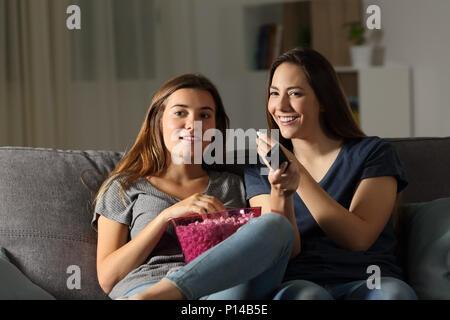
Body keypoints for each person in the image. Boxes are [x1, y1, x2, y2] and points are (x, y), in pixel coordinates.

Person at [92, 73, 296, 300]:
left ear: (216, 128)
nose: (193, 125)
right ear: (158, 121)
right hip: (143, 289)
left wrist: (281, 192)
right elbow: (108, 279)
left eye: (204, 115)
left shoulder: (233, 184)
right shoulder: (125, 186)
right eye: (180, 113)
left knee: (281, 235)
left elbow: (281, 241)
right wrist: (165, 217)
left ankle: (168, 294)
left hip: (220, 292)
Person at [244, 47, 418, 300]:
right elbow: (283, 250)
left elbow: (358, 239)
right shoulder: (260, 166)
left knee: (393, 295)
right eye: (274, 93)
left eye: (295, 93)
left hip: (369, 281)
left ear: (324, 100)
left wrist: (297, 172)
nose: (280, 106)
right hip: (301, 283)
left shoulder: (374, 153)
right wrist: (282, 192)